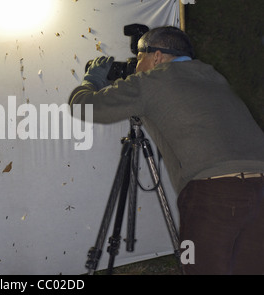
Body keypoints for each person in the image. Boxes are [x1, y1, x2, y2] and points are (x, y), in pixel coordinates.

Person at [68, 26, 264, 275]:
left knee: (198, 268)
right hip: (260, 190)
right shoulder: (213, 76)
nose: (136, 67)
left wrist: (93, 80)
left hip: (213, 195)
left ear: (157, 56)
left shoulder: (150, 81)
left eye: (139, 59)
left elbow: (84, 106)